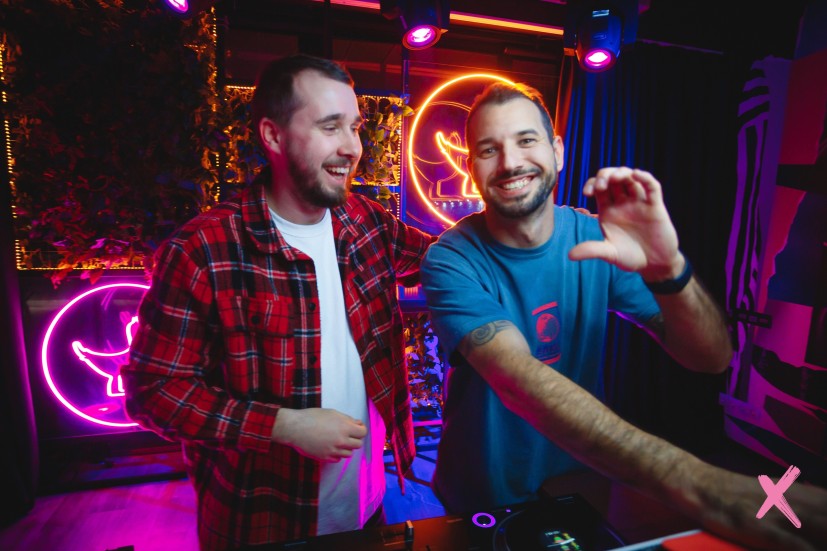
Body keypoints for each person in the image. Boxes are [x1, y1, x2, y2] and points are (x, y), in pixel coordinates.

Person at [420, 81, 827, 550]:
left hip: (580, 482)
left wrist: (669, 270)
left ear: (557, 151)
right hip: (482, 494)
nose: (510, 162)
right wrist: (703, 487)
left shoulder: (597, 238)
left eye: (526, 140)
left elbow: (712, 358)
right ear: (471, 166)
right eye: (489, 149)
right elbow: (516, 377)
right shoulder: (451, 258)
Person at [121, 54, 433, 550]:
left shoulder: (367, 221)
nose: (352, 147)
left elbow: (443, 260)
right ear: (273, 136)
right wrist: (283, 426)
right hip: (263, 523)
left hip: (367, 506)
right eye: (330, 127)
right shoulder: (203, 250)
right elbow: (152, 391)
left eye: (354, 127)